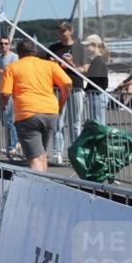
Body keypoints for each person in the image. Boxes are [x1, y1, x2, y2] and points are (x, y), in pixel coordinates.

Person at [0, 38, 72, 172]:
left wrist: (2, 107)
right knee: (41, 154)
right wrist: (61, 103)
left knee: (34, 158)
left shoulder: (12, 68)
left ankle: (38, 186)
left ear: (19, 53)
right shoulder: (49, 65)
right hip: (50, 112)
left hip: (27, 114)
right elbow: (67, 84)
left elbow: (4, 94)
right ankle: (45, 186)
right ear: (35, 51)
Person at [47, 21, 86, 165]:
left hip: (75, 88)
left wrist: (72, 64)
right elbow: (46, 68)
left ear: (71, 31)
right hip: (57, 89)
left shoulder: (80, 48)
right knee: (58, 122)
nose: (61, 33)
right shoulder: (53, 48)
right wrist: (52, 64)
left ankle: (75, 154)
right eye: (59, 30)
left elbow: (85, 69)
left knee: (75, 123)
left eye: (63, 30)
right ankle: (57, 153)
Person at [0, 36, 19, 155]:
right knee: (3, 119)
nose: (3, 46)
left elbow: (13, 74)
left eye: (6, 44)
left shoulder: (14, 57)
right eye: (1, 44)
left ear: (10, 45)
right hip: (0, 90)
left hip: (10, 91)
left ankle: (14, 144)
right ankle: (8, 144)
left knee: (10, 119)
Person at [81, 34, 110, 126]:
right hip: (97, 95)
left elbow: (95, 80)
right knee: (98, 123)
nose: (85, 49)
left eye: (88, 46)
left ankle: (102, 140)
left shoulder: (97, 60)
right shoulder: (98, 60)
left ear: (95, 45)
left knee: (99, 125)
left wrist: (83, 72)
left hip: (97, 95)